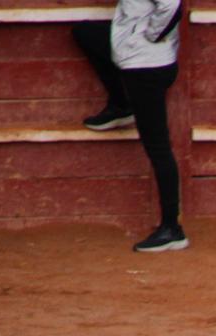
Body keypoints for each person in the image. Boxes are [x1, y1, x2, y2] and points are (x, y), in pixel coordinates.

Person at [72, 0, 187, 252]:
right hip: (139, 55)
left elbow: (171, 5)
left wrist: (149, 36)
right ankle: (121, 104)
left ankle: (172, 229)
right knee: (85, 33)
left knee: (158, 148)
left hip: (146, 66)